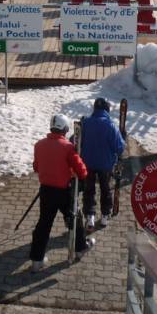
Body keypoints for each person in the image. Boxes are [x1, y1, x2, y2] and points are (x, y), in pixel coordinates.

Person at [29, 114, 93, 272]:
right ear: (64, 129)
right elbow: (82, 171)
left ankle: (36, 260)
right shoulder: (67, 147)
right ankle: (80, 248)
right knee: (75, 218)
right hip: (64, 192)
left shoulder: (39, 145)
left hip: (46, 191)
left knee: (43, 225)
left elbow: (36, 167)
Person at [80, 98, 125, 230]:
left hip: (88, 163)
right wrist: (123, 138)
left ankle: (90, 217)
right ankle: (105, 216)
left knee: (89, 190)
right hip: (105, 164)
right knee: (105, 189)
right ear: (107, 110)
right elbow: (119, 147)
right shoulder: (110, 125)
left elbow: (76, 141)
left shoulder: (86, 123)